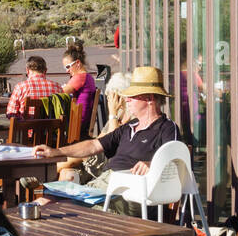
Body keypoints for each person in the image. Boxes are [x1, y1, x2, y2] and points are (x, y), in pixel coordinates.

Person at [32, 66, 179, 210]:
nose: (127, 100)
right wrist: (55, 152)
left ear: (149, 99)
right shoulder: (130, 126)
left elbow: (176, 164)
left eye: (132, 96)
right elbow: (93, 145)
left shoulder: (166, 128)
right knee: (44, 201)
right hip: (104, 187)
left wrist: (152, 165)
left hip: (128, 193)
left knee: (53, 207)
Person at [56, 70, 132, 182]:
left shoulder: (129, 118)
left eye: (111, 96)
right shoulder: (119, 116)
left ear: (120, 97)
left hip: (111, 166)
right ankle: (51, 174)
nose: (109, 100)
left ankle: (48, 171)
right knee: (66, 172)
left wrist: (112, 114)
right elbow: (99, 140)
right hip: (98, 160)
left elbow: (113, 141)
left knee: (84, 154)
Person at [62, 45, 96, 126]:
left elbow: (60, 93)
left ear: (77, 63)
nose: (67, 71)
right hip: (84, 121)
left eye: (68, 66)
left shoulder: (79, 77)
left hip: (77, 123)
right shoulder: (88, 77)